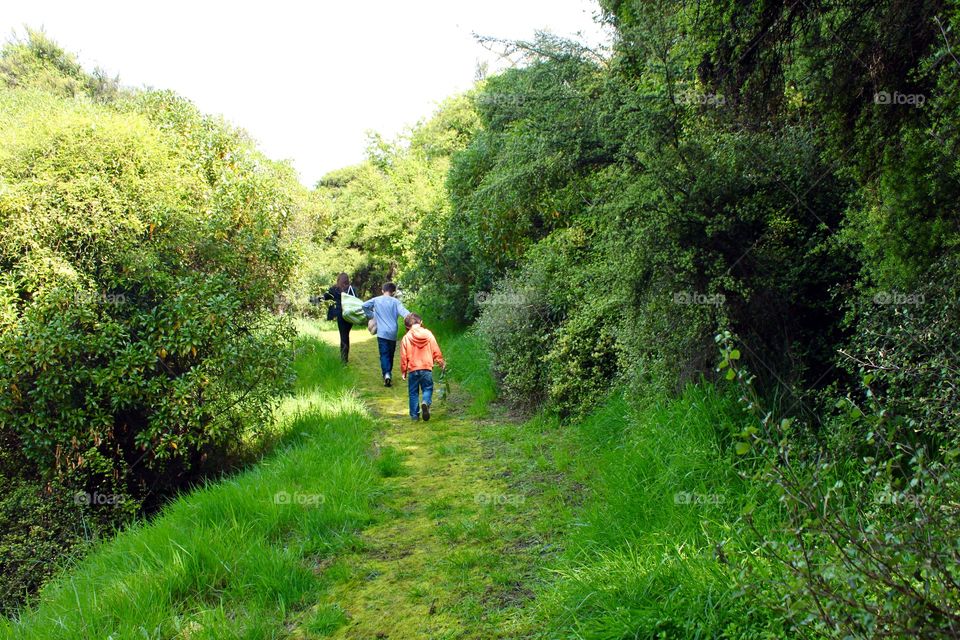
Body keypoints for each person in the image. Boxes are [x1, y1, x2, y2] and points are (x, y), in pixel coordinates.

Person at [361, 282, 410, 386]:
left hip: (382, 333)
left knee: (384, 354)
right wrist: (414, 320)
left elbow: (364, 306)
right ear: (393, 292)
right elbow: (405, 313)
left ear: (383, 290)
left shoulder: (376, 300)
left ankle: (386, 374)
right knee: (390, 354)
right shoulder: (396, 302)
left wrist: (372, 315)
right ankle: (388, 372)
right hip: (393, 333)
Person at [400, 313, 445, 421]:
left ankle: (415, 416)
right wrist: (441, 362)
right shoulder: (428, 334)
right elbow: (435, 350)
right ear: (421, 322)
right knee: (428, 388)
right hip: (426, 368)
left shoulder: (406, 337)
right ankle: (425, 402)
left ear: (407, 326)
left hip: (413, 369)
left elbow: (403, 356)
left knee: (413, 392)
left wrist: (403, 371)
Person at [323, 273, 356, 363]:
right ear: (347, 280)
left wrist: (314, 299)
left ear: (338, 280)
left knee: (343, 336)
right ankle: (345, 357)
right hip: (350, 315)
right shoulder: (351, 289)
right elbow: (355, 300)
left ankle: (344, 359)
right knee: (346, 335)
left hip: (341, 315)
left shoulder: (334, 289)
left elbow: (325, 296)